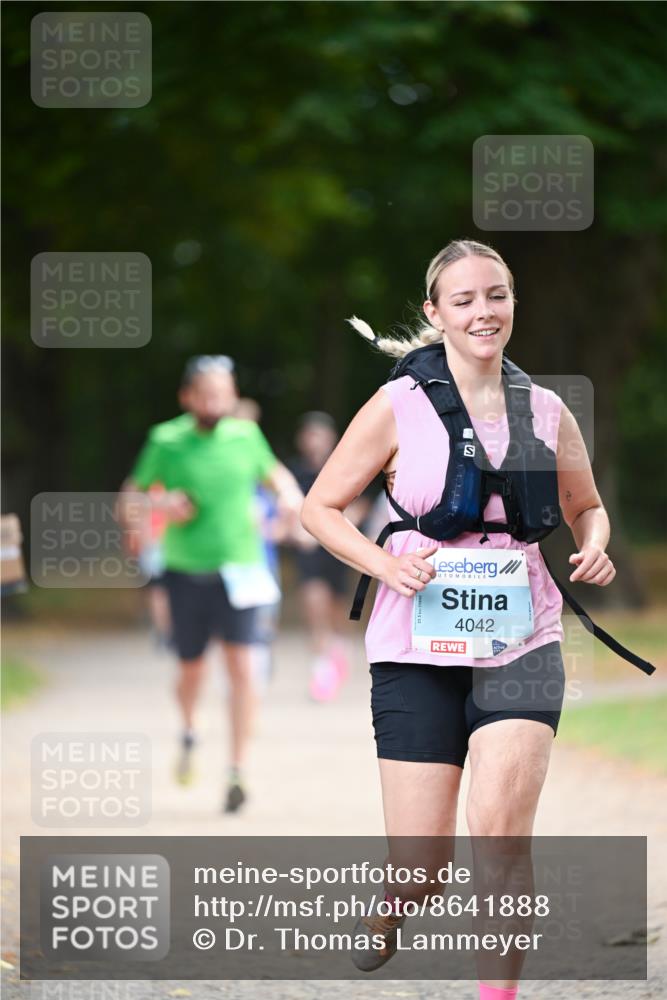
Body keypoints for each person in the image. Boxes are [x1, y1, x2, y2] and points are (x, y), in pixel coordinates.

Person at [300, 239, 624, 998]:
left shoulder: (545, 410)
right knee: (423, 866)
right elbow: (320, 508)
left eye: (496, 295)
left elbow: (585, 507)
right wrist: (383, 565)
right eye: (465, 299)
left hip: (522, 635)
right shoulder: (395, 406)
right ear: (434, 313)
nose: (483, 311)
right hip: (414, 640)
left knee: (502, 834)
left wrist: (596, 547)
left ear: (512, 303)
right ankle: (397, 899)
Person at [119, 355, 303, 813]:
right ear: (187, 397)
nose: (216, 402)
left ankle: (237, 769)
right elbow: (129, 501)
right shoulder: (166, 439)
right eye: (206, 394)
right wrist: (161, 502)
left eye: (224, 394)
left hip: (240, 571)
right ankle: (189, 729)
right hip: (185, 574)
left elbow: (275, 474)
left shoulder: (245, 435)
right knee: (191, 670)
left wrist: (291, 499)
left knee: (243, 669)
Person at [289, 412, 369, 702]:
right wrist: (299, 530)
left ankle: (338, 654)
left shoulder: (344, 467)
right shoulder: (295, 472)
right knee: (315, 604)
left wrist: (339, 528)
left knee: (338, 612)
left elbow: (360, 506)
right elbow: (288, 506)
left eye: (319, 435)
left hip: (338, 548)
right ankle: (321, 669)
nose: (314, 441)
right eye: (309, 435)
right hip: (309, 549)